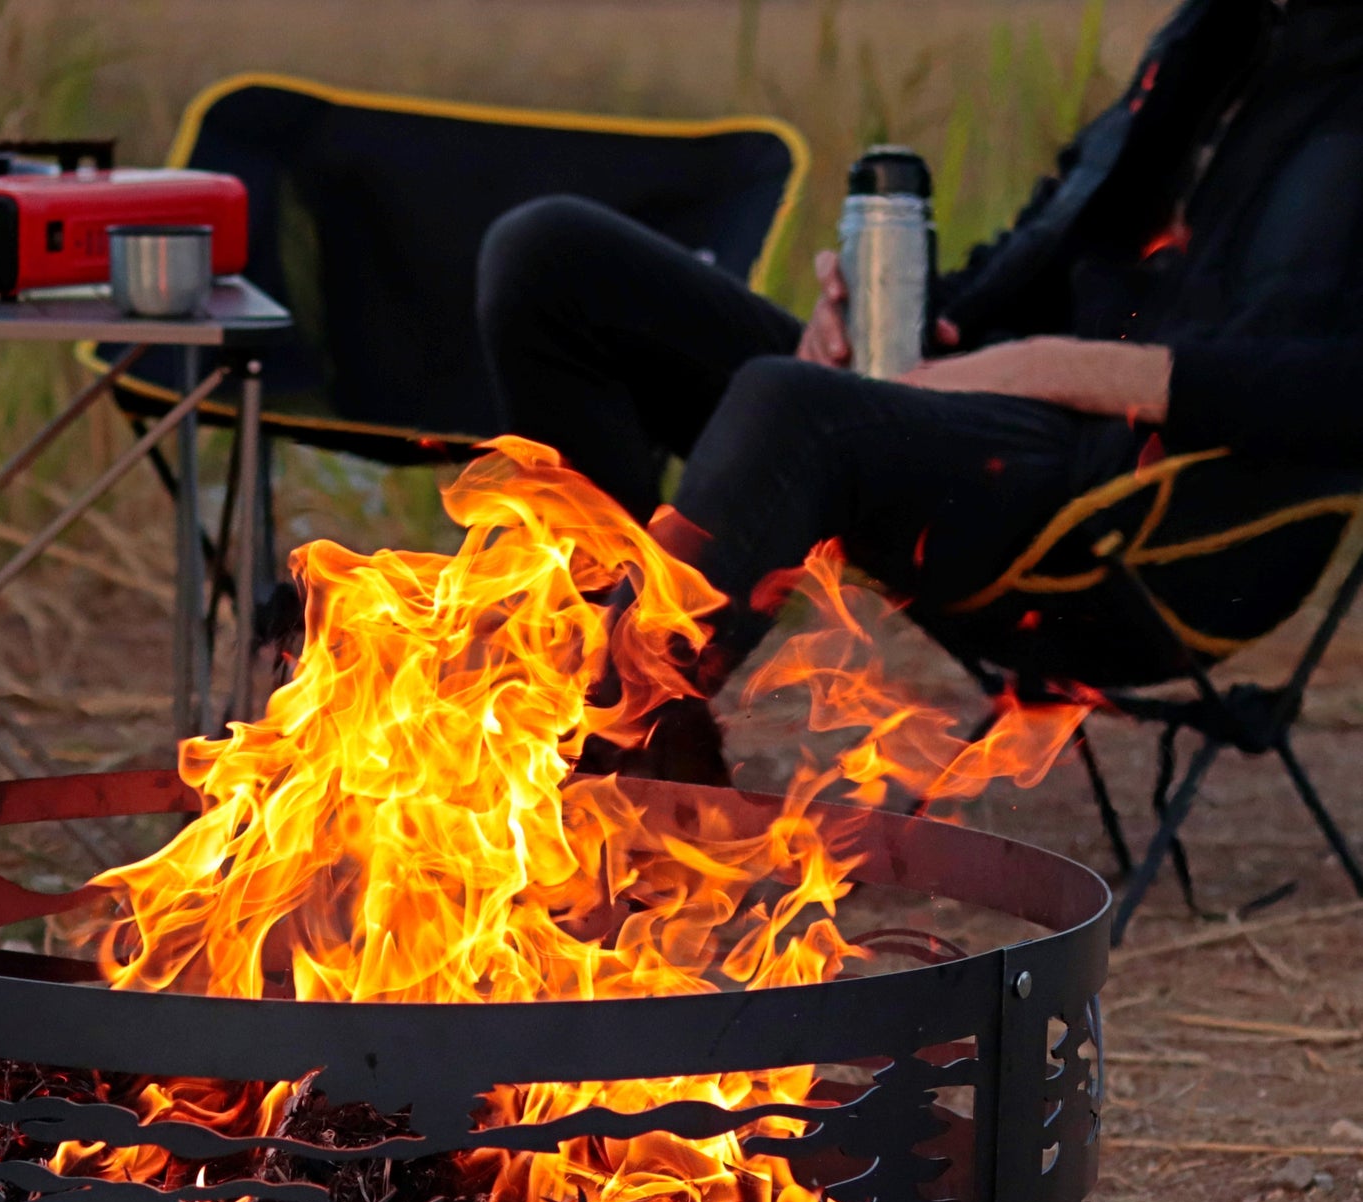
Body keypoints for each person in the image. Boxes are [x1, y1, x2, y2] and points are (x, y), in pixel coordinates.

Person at [477, 0, 1363, 781]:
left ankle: (585, 778)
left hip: (1153, 524)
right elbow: (1052, 250)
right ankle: (625, 712)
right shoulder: (1231, 27)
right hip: (998, 431)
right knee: (552, 257)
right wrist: (889, 319)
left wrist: (1065, 369)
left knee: (792, 408)